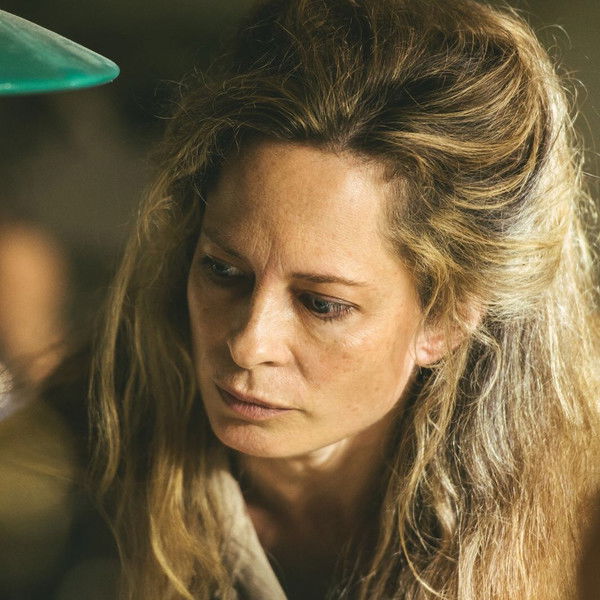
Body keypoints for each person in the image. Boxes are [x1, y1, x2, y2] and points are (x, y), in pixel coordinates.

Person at [8, 0, 600, 598]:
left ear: (446, 318)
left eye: (322, 304)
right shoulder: (78, 465)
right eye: (223, 271)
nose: (248, 343)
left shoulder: (580, 527)